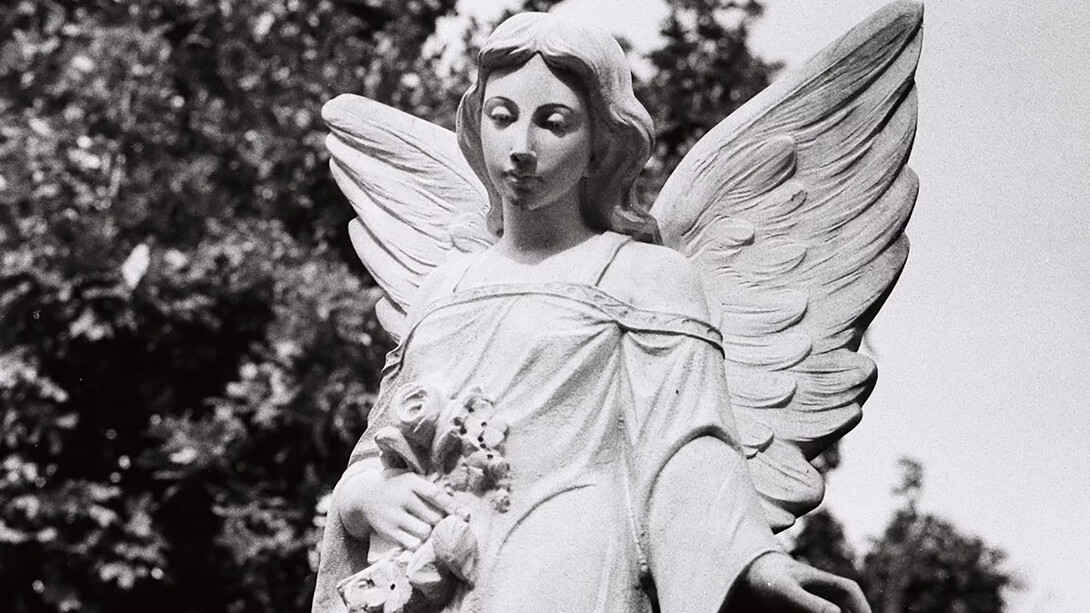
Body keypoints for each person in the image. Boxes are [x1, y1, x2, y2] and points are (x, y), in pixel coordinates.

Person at [314, 13, 869, 613]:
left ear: (601, 144)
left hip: (565, 563)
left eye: (554, 123)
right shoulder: (442, 287)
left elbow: (689, 450)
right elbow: (377, 448)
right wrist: (368, 496)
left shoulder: (647, 278)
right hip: (427, 573)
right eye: (501, 117)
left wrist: (756, 566)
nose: (521, 147)